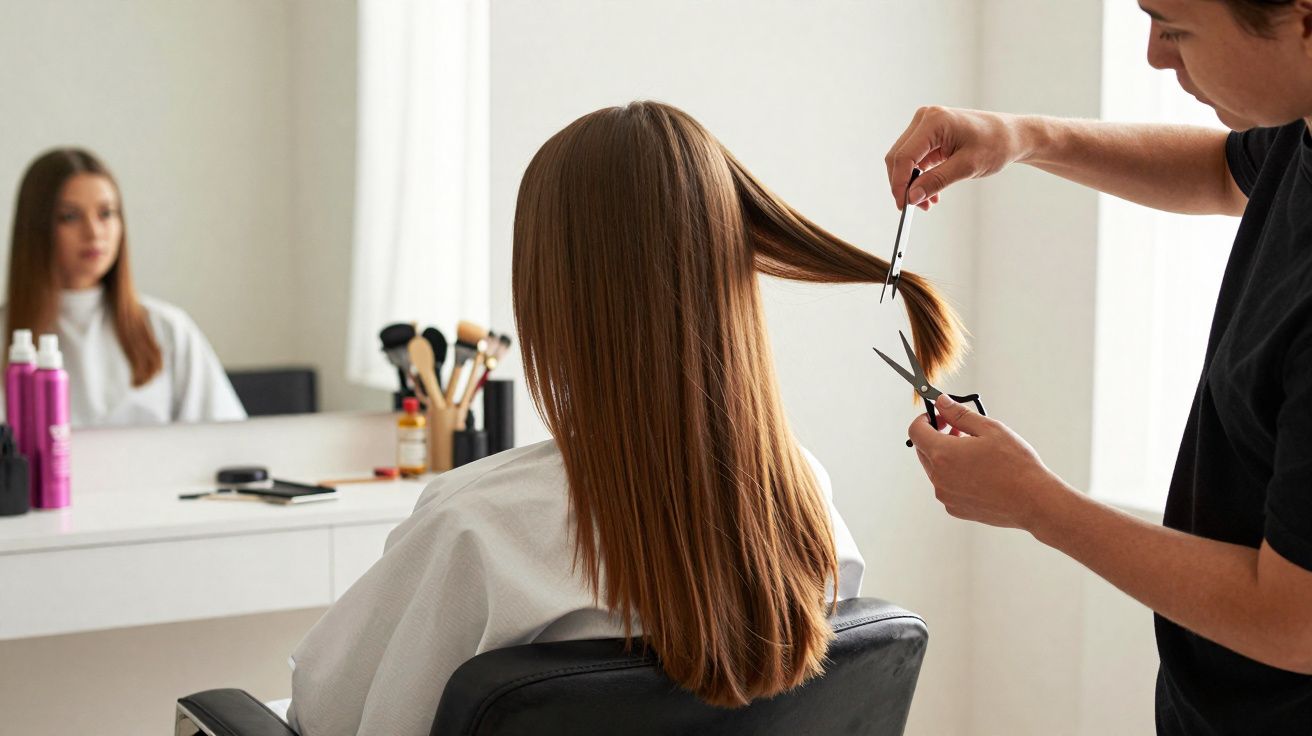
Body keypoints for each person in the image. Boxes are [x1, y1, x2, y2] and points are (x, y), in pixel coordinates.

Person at [285, 101, 967, 735]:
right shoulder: (806, 496)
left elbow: (327, 712)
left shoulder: (479, 527)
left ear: (552, 295)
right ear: (731, 278)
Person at [884, 1, 1312, 733]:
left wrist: (1039, 505)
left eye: (1174, 27)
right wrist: (1022, 137)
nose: (1153, 56)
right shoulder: (1300, 132)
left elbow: (1294, 620)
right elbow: (1220, 172)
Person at [3, 148, 246, 427]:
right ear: (36, 228)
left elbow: (226, 441)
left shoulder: (167, 329)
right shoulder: (7, 337)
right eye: (70, 217)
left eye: (106, 214)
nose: (94, 233)